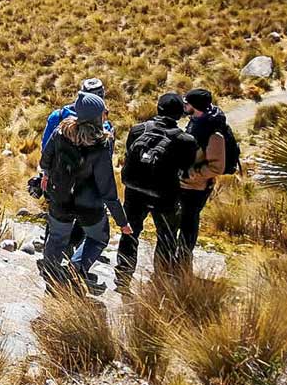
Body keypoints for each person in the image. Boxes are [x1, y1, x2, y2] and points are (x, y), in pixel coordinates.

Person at [38, 91, 133, 294]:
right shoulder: (101, 144)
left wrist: (46, 175)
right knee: (98, 238)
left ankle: (53, 278)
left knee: (56, 238)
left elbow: (45, 159)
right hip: (89, 205)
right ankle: (76, 269)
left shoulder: (61, 132)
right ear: (98, 116)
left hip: (61, 197)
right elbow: (107, 188)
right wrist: (122, 221)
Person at [115, 93, 196, 293]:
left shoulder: (137, 130)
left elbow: (128, 156)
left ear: (158, 109)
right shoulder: (186, 141)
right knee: (166, 237)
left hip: (134, 192)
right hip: (165, 196)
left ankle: (122, 279)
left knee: (130, 233)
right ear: (179, 114)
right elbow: (187, 172)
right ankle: (161, 282)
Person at [35, 78, 113, 258]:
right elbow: (105, 161)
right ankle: (72, 260)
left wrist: (45, 174)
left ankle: (51, 260)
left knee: (57, 220)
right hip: (87, 189)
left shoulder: (59, 116)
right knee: (82, 224)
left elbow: (46, 148)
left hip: (58, 181)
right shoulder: (105, 127)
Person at [180, 89, 237, 259]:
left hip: (197, 186)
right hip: (186, 183)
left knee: (189, 222)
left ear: (195, 106)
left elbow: (217, 167)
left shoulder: (213, 134)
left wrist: (192, 174)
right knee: (182, 220)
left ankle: (184, 257)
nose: (184, 106)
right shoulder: (196, 122)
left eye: (187, 103)